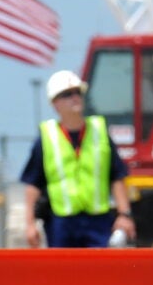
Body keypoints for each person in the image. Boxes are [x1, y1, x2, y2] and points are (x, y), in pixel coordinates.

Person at [21, 69, 136, 248]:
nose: (75, 97)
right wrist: (29, 224)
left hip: (98, 221)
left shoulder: (99, 131)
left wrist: (124, 215)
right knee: (62, 267)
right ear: (55, 103)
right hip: (60, 223)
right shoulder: (47, 137)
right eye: (67, 94)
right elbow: (33, 183)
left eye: (78, 92)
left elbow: (116, 175)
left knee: (99, 266)